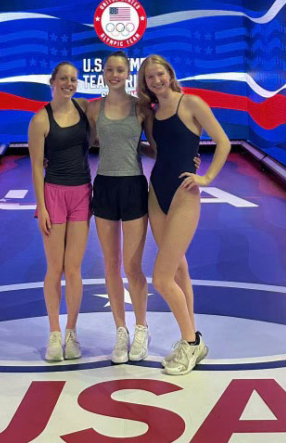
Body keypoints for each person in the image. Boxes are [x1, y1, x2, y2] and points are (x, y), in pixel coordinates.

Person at [137, 53, 231, 376]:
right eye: (150, 78)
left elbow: (223, 143)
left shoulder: (191, 104)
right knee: (178, 271)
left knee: (161, 278)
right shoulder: (151, 113)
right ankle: (188, 339)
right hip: (156, 193)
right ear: (145, 83)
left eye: (160, 74)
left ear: (170, 73)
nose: (156, 81)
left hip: (184, 194)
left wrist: (205, 177)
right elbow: (157, 151)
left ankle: (192, 343)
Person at [87, 51, 155, 364]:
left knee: (132, 265)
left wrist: (188, 160)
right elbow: (83, 143)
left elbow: (156, 147)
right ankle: (121, 330)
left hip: (133, 187)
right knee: (111, 262)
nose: (115, 74)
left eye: (120, 70)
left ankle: (141, 327)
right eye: (110, 69)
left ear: (128, 73)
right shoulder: (93, 108)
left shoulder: (141, 106)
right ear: (103, 73)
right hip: (104, 186)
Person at [28, 61, 91, 362]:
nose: (69, 83)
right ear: (52, 82)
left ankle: (71, 331)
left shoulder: (83, 108)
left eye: (73, 79)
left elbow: (119, 117)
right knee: (55, 268)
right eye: (63, 78)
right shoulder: (40, 120)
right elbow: (37, 168)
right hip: (53, 194)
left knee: (74, 269)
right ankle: (54, 332)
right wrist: (41, 207)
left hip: (82, 194)